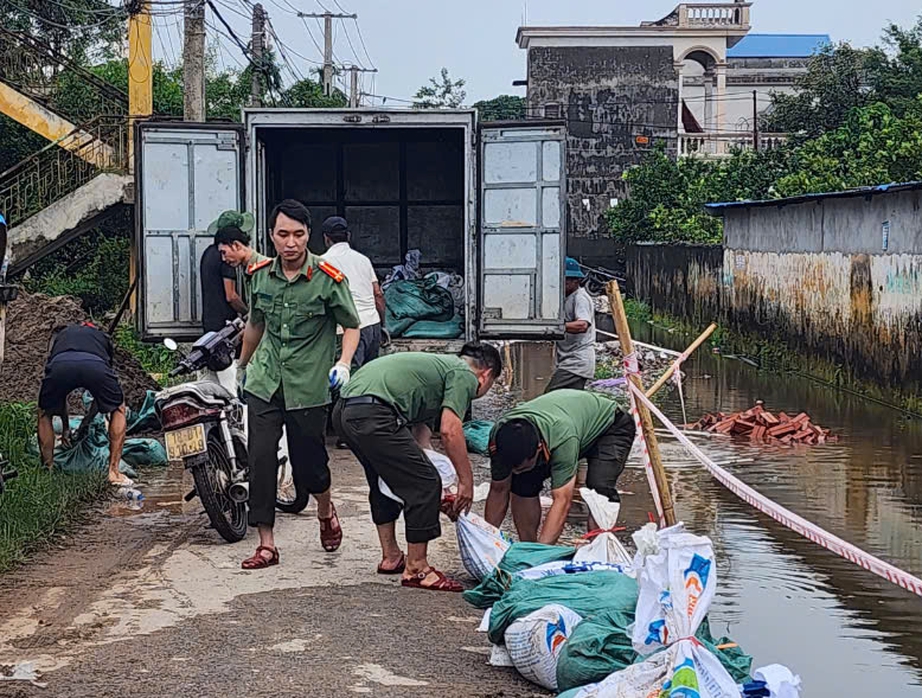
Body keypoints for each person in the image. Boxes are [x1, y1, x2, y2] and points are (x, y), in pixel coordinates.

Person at [238, 199, 361, 570]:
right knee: (259, 458)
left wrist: (343, 362)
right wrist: (242, 365)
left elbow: (351, 324)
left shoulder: (327, 277)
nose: (290, 243)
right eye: (282, 234)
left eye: (298, 234)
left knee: (310, 465)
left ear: (309, 235)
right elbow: (256, 323)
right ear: (271, 236)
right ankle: (266, 544)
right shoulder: (259, 274)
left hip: (308, 384)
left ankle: (324, 509)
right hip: (265, 380)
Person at [334, 343, 503, 592]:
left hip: (345, 411)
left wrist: (442, 488)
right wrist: (465, 482)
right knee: (425, 484)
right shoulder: (464, 374)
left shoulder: (436, 369)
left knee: (386, 479)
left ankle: (391, 556)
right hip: (374, 412)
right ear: (486, 375)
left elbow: (420, 439)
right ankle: (417, 568)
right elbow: (450, 430)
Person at [484, 389, 635, 545]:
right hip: (570, 421)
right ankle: (527, 545)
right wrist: (486, 539)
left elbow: (562, 500)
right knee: (522, 483)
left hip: (610, 425)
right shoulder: (499, 437)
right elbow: (498, 489)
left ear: (539, 448)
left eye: (520, 467)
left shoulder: (563, 438)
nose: (515, 471)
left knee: (599, 488)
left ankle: (598, 548)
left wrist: (543, 552)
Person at [37, 322, 130, 486]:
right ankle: (113, 472)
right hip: (95, 365)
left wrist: (69, 427)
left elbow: (60, 398)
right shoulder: (101, 337)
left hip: (61, 364)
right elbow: (102, 400)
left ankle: (47, 470)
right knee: (118, 409)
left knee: (45, 413)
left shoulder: (62, 335)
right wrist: (80, 424)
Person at [321, 216, 385, 369]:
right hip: (372, 325)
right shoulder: (364, 260)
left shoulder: (322, 263)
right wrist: (382, 325)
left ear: (326, 238)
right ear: (348, 236)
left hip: (345, 331)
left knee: (346, 378)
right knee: (368, 377)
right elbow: (378, 295)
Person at [545, 257, 596, 393]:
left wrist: (558, 326)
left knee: (551, 396)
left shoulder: (580, 298)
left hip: (576, 362)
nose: (562, 283)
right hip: (569, 360)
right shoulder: (566, 298)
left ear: (576, 281)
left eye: (566, 280)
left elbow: (582, 325)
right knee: (569, 400)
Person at [201, 210, 256, 333]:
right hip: (225, 323)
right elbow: (231, 296)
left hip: (209, 320)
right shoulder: (227, 257)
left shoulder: (208, 252)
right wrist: (249, 315)